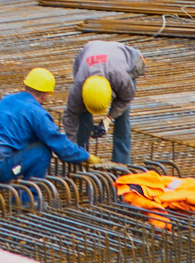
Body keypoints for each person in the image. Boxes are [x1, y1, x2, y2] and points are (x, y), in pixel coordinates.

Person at [0, 68, 94, 186]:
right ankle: (28, 199)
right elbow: (59, 144)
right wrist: (85, 156)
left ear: (26, 86)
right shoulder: (38, 113)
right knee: (42, 150)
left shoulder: (6, 100)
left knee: (8, 144)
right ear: (45, 94)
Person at [62, 39, 145, 167]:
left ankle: (121, 163)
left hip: (128, 60)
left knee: (122, 116)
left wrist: (108, 119)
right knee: (80, 113)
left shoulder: (121, 78)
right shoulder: (79, 86)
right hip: (88, 53)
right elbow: (70, 116)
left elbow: (125, 99)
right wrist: (71, 149)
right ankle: (79, 155)